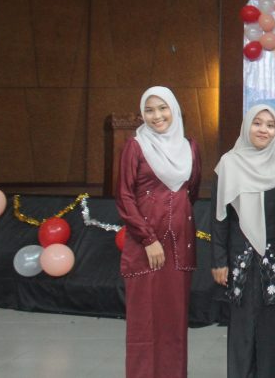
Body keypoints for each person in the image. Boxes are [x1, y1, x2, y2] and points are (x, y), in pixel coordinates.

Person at [116, 86, 202, 378]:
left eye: (162, 108)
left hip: (179, 247)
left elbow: (191, 191)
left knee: (174, 324)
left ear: (174, 109)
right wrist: (148, 239)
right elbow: (124, 197)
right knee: (144, 323)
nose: (157, 116)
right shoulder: (135, 146)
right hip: (145, 248)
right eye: (149, 110)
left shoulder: (190, 147)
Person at [211, 104, 275, 378]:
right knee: (243, 329)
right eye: (257, 123)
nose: (264, 130)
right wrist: (219, 261)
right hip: (242, 259)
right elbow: (219, 217)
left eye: (270, 125)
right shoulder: (229, 164)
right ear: (246, 126)